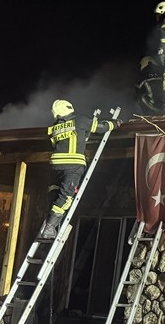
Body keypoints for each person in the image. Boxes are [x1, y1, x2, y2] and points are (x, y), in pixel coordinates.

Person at [42, 99, 116, 240]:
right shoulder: (80, 121)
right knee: (67, 196)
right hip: (73, 165)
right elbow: (100, 127)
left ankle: (50, 216)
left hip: (56, 165)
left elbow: (58, 142)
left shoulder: (54, 127)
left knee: (57, 191)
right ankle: (50, 227)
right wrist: (114, 123)